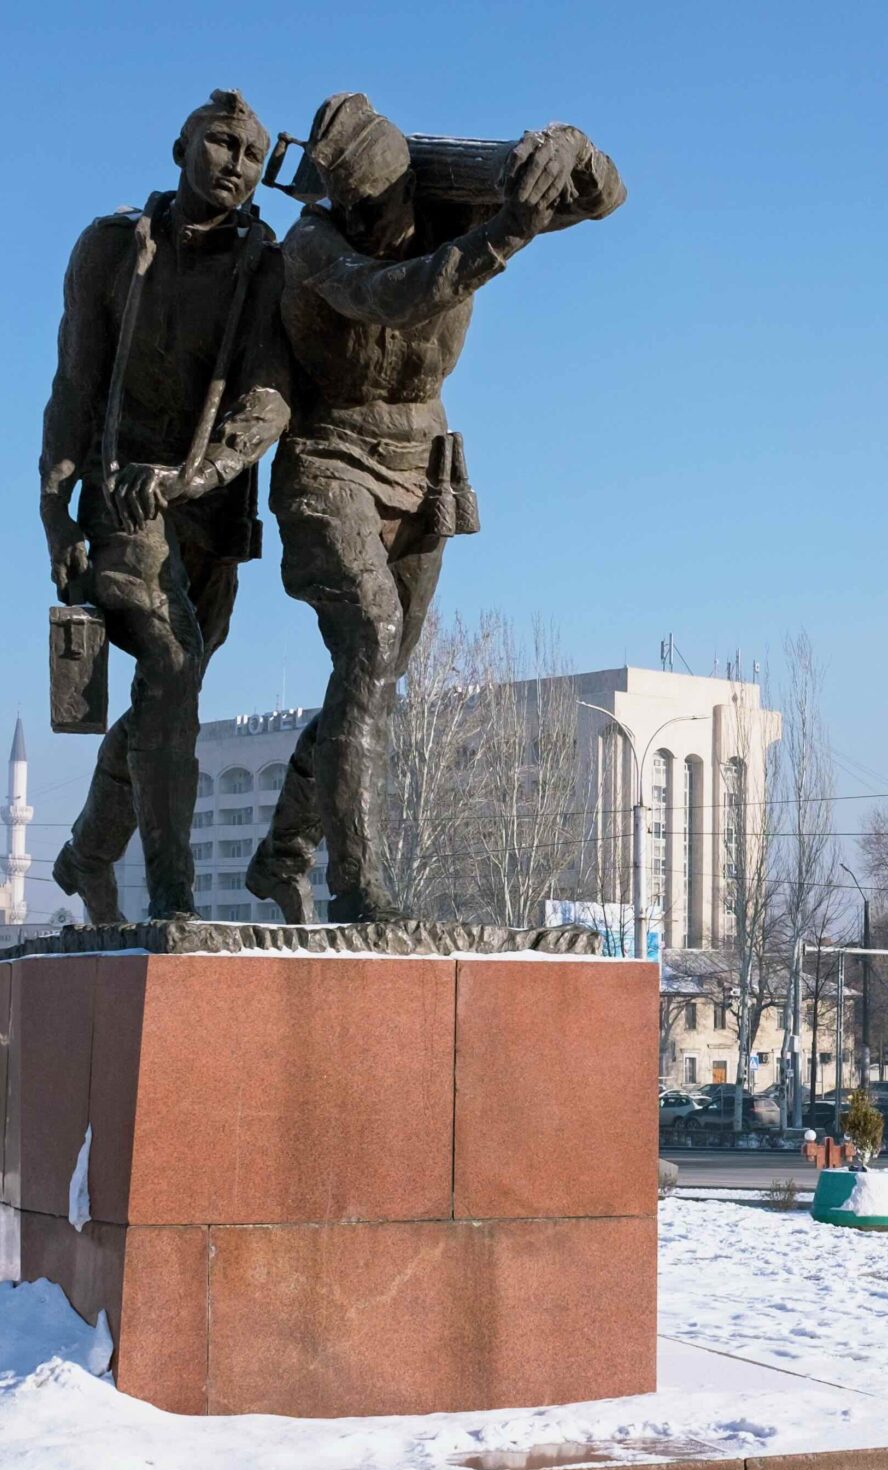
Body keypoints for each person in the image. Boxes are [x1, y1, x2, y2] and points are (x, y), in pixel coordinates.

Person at [242, 94, 623, 924]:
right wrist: (502, 237)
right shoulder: (312, 245)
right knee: (372, 636)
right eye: (357, 208)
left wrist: (570, 150)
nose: (373, 220)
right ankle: (357, 886)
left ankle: (280, 854)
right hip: (328, 456)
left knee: (375, 680)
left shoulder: (451, 199)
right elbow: (392, 296)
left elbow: (603, 197)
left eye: (386, 205)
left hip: (421, 464)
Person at [39, 90, 292, 921]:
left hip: (211, 509)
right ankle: (175, 898)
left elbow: (268, 394)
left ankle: (88, 853)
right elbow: (76, 382)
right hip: (124, 498)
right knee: (176, 669)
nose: (236, 165)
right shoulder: (113, 249)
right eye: (221, 144)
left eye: (252, 156)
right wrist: (55, 508)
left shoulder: (266, 263)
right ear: (179, 146)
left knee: (165, 696)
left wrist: (205, 473)